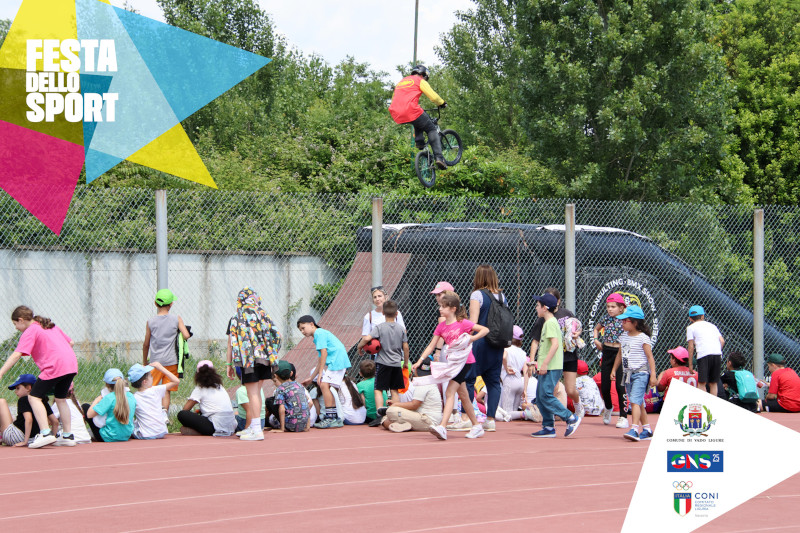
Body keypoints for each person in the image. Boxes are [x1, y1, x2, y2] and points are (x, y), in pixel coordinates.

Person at [413, 291, 489, 440]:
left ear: (453, 308)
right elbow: (431, 346)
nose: (440, 309)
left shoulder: (463, 323)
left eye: (443, 306)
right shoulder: (441, 327)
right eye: (440, 306)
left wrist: (471, 339)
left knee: (449, 393)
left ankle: (442, 426)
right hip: (453, 363)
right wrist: (420, 360)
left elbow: (485, 330)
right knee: (464, 396)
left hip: (466, 363)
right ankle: (476, 426)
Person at [0, 306, 79, 448]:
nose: (16, 328)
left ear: (21, 320)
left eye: (15, 324)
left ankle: (45, 433)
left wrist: (1, 372)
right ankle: (67, 435)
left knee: (33, 397)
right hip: (71, 365)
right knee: (61, 399)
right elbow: (71, 342)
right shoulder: (48, 326)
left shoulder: (31, 330)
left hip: (54, 366)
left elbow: (17, 354)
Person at [226, 287, 281, 440]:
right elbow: (278, 334)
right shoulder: (264, 315)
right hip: (265, 358)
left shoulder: (237, 317)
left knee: (253, 394)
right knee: (257, 393)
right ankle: (253, 427)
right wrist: (272, 353)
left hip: (249, 360)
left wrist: (229, 364)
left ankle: (257, 430)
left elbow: (232, 342)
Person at [530, 293, 581, 438]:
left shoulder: (551, 323)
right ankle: (548, 427)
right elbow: (545, 347)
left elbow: (555, 345)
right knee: (540, 397)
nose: (536, 308)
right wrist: (538, 362)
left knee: (546, 395)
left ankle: (570, 418)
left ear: (545, 308)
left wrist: (545, 363)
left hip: (551, 366)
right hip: (546, 366)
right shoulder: (547, 323)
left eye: (538, 306)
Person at [468, 264, 508, 433]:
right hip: (497, 343)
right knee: (493, 381)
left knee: (468, 379)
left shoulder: (477, 295)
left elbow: (473, 322)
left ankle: (466, 416)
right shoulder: (502, 296)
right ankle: (490, 419)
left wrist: (466, 337)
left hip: (481, 342)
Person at [388, 64, 448, 169]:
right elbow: (433, 96)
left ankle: (419, 142)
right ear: (424, 74)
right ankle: (439, 158)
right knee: (431, 129)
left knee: (418, 119)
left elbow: (394, 98)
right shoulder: (420, 80)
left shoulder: (401, 82)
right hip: (410, 109)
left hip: (396, 112)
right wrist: (442, 103)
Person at [611, 305, 656, 442]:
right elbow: (620, 354)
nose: (622, 323)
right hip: (628, 374)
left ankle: (634, 429)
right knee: (639, 402)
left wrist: (653, 374)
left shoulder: (643, 338)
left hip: (641, 373)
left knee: (634, 402)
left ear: (635, 322)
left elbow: (650, 358)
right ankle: (647, 429)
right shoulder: (623, 337)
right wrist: (614, 369)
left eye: (625, 320)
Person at [298, 315, 351, 429]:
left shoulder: (319, 333)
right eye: (300, 330)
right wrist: (311, 377)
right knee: (326, 386)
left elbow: (324, 353)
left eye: (303, 328)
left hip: (336, 360)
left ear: (312, 324)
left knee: (323, 385)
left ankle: (330, 418)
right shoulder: (319, 335)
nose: (302, 331)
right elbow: (320, 358)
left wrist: (321, 373)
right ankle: (333, 417)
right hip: (338, 360)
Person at [357, 300, 410, 414]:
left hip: (382, 363)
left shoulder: (379, 327)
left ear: (383, 314)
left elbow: (366, 338)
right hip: (396, 363)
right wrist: (405, 362)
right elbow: (406, 347)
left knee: (378, 389)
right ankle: (395, 412)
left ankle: (379, 411)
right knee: (394, 390)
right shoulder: (401, 329)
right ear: (397, 314)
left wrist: (359, 347)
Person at [142, 289, 191, 410]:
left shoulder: (150, 322)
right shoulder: (176, 319)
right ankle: (164, 417)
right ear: (171, 304)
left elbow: (146, 344)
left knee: (149, 388)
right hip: (171, 361)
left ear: (155, 303)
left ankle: (149, 414)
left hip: (155, 362)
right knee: (166, 390)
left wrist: (144, 361)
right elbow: (186, 335)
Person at [592, 293, 629, 428]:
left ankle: (623, 417)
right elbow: (596, 328)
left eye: (613, 307)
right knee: (606, 386)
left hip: (620, 353)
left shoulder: (626, 320)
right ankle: (608, 407)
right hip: (607, 352)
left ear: (621, 308)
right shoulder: (606, 318)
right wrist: (596, 340)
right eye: (608, 306)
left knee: (620, 386)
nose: (610, 309)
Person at [178, 360, 237, 438]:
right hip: (232, 425)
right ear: (214, 373)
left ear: (197, 375)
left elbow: (185, 409)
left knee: (182, 414)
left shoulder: (200, 388)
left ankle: (197, 432)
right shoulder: (220, 386)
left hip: (214, 427)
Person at [382, 358, 443, 432]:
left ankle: (406, 425)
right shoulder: (428, 381)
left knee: (390, 412)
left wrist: (395, 405)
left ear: (416, 370)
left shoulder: (423, 382)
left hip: (428, 420)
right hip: (425, 417)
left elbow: (414, 405)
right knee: (388, 416)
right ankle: (405, 425)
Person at [0, 374, 58, 447]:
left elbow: (29, 419)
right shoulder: (43, 401)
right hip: (33, 439)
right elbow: (55, 422)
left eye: (18, 388)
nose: (15, 391)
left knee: (1, 402)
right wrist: (51, 439)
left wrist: (25, 441)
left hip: (14, 436)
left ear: (28, 388)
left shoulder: (23, 399)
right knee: (12, 418)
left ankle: (1, 437)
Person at [129, 362, 179, 440]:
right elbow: (176, 381)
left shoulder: (133, 397)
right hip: (162, 432)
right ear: (145, 382)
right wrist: (161, 368)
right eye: (151, 376)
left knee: (133, 423)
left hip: (146, 435)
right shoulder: (156, 390)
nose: (152, 378)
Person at [84, 369, 136, 442]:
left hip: (107, 437)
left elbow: (89, 415)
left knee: (85, 406)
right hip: (126, 436)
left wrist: (97, 400)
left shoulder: (109, 398)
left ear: (106, 385)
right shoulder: (131, 396)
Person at [686, 305, 725, 397]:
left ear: (690, 318)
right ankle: (712, 407)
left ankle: (703, 405)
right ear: (703, 316)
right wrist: (715, 349)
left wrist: (690, 365)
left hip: (703, 354)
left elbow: (691, 347)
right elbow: (722, 341)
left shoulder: (691, 328)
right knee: (713, 383)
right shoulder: (712, 326)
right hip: (717, 354)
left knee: (702, 383)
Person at [496, 325, 527, 422]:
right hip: (519, 381)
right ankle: (524, 414)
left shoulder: (507, 348)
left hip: (509, 380)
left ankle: (527, 414)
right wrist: (525, 388)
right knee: (512, 414)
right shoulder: (522, 352)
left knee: (506, 413)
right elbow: (525, 369)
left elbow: (504, 357)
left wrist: (506, 367)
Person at [271, 360, 310, 432]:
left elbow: (282, 409)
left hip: (291, 425)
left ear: (275, 376)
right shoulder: (299, 385)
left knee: (272, 405)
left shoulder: (280, 388)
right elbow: (307, 403)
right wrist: (307, 426)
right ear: (291, 373)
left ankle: (282, 427)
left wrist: (282, 429)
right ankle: (306, 426)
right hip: (303, 424)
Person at [355, 360, 387, 426]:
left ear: (360, 373)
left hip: (370, 417)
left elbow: (363, 402)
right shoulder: (380, 381)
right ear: (375, 372)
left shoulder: (360, 385)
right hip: (384, 413)